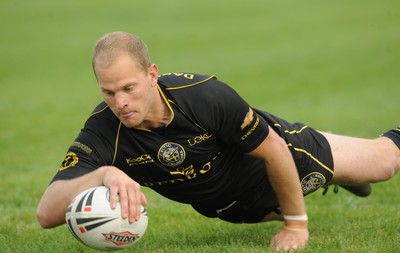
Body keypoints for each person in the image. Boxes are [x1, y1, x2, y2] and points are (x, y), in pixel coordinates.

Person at [37, 31, 400, 252]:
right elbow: (47, 213)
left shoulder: (203, 96)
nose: (120, 103)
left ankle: (341, 163)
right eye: (109, 92)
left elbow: (273, 149)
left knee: (382, 163)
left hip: (277, 158)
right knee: (312, 186)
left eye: (128, 88)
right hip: (232, 208)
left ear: (151, 74)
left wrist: (296, 226)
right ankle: (341, 172)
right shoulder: (102, 131)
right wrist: (102, 174)